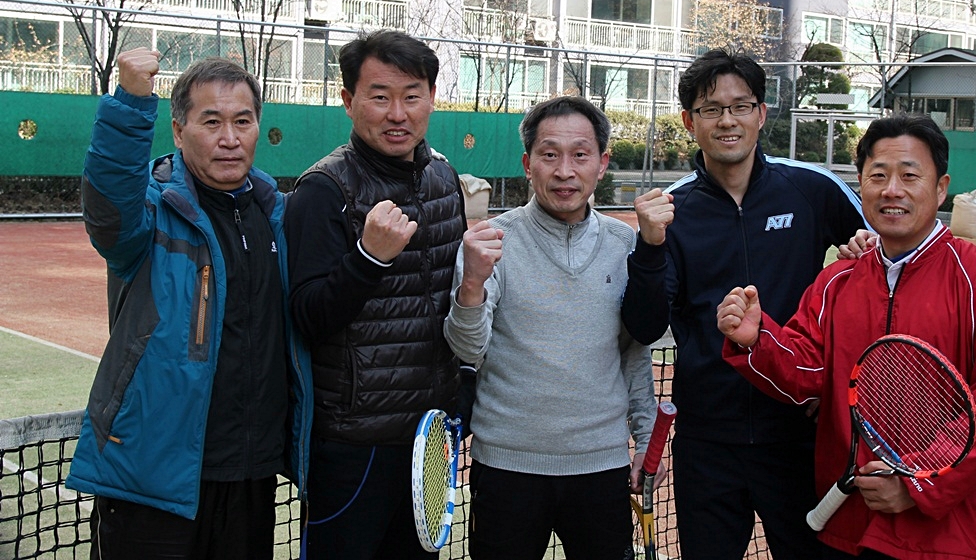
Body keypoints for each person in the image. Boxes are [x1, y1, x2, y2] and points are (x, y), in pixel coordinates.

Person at [717, 113, 976, 560]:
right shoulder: (837, 281)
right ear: (862, 185)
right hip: (850, 525)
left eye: (910, 175)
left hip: (949, 536)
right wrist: (757, 340)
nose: (892, 190)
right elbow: (808, 373)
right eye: (878, 175)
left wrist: (919, 483)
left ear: (941, 188)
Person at [620, 49, 866, 560]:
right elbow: (644, 326)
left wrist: (863, 252)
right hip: (708, 443)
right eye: (711, 109)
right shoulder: (673, 211)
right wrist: (649, 247)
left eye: (741, 106)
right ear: (689, 122)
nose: (727, 120)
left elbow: (884, 267)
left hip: (799, 435)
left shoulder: (813, 189)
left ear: (762, 114)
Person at [67, 49, 311, 560]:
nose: (230, 138)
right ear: (179, 132)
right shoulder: (151, 213)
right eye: (211, 122)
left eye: (242, 121)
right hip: (153, 479)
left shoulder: (276, 215)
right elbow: (108, 207)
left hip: (251, 473)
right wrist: (130, 105)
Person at [444, 96, 656, 560]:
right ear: (527, 164)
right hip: (506, 468)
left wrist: (645, 439)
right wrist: (472, 285)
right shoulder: (491, 243)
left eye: (580, 155)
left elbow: (634, 352)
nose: (564, 171)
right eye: (549, 154)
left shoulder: (625, 243)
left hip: (601, 468)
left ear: (602, 163)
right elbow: (467, 349)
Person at [285, 30, 467, 560]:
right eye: (380, 96)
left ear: (431, 98)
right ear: (349, 101)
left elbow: (452, 302)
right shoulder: (324, 190)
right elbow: (306, 317)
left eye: (412, 96)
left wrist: (463, 386)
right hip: (352, 445)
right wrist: (368, 259)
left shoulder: (444, 178)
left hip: (430, 438)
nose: (397, 114)